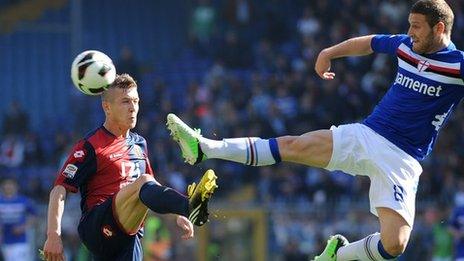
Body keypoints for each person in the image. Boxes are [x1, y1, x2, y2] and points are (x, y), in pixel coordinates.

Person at [166, 0, 463, 260]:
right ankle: (204, 147)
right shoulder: (404, 45)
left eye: (417, 27)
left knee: (394, 245)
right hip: (368, 134)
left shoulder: (457, 65)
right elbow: (368, 42)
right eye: (409, 25)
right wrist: (328, 51)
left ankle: (339, 254)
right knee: (294, 145)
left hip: (403, 159)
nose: (410, 32)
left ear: (439, 28)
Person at [43, 74, 218, 261]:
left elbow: (151, 190)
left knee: (144, 184)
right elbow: (59, 189)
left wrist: (174, 214)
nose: (133, 108)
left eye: (136, 101)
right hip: (98, 226)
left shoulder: (139, 143)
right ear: (107, 107)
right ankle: (189, 206)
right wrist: (53, 234)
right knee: (143, 182)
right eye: (125, 101)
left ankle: (186, 209)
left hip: (128, 234)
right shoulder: (90, 146)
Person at [0, 178, 37, 261]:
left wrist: (23, 227)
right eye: (6, 185)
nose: (8, 187)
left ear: (16, 187)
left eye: (11, 185)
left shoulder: (23, 201)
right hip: (4, 241)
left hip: (20, 241)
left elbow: (34, 216)